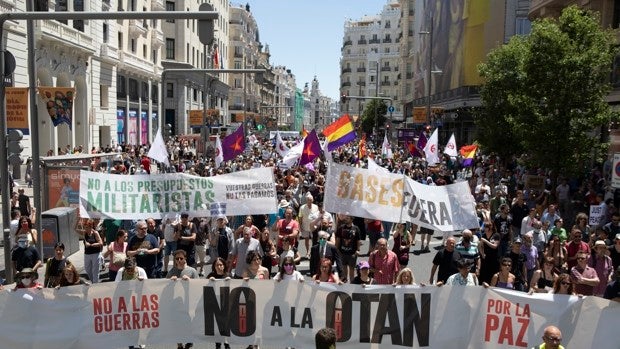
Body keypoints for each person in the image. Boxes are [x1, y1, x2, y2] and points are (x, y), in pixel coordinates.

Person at [335, 215, 361, 283]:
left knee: (352, 269)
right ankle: (345, 282)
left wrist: (357, 250)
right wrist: (336, 249)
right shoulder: (341, 228)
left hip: (352, 253)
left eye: (347, 218)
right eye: (345, 218)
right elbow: (338, 239)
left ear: (352, 219)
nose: (346, 219)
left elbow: (358, 240)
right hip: (342, 252)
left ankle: (351, 283)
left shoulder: (356, 228)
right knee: (344, 268)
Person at [298, 193, 320, 259]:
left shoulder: (316, 207)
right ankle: (308, 252)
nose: (309, 201)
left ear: (312, 200)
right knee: (306, 239)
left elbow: (318, 215)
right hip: (305, 226)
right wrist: (300, 225)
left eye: (310, 200)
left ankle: (313, 252)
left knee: (314, 239)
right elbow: (300, 217)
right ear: (306, 200)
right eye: (308, 200)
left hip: (313, 226)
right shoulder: (302, 207)